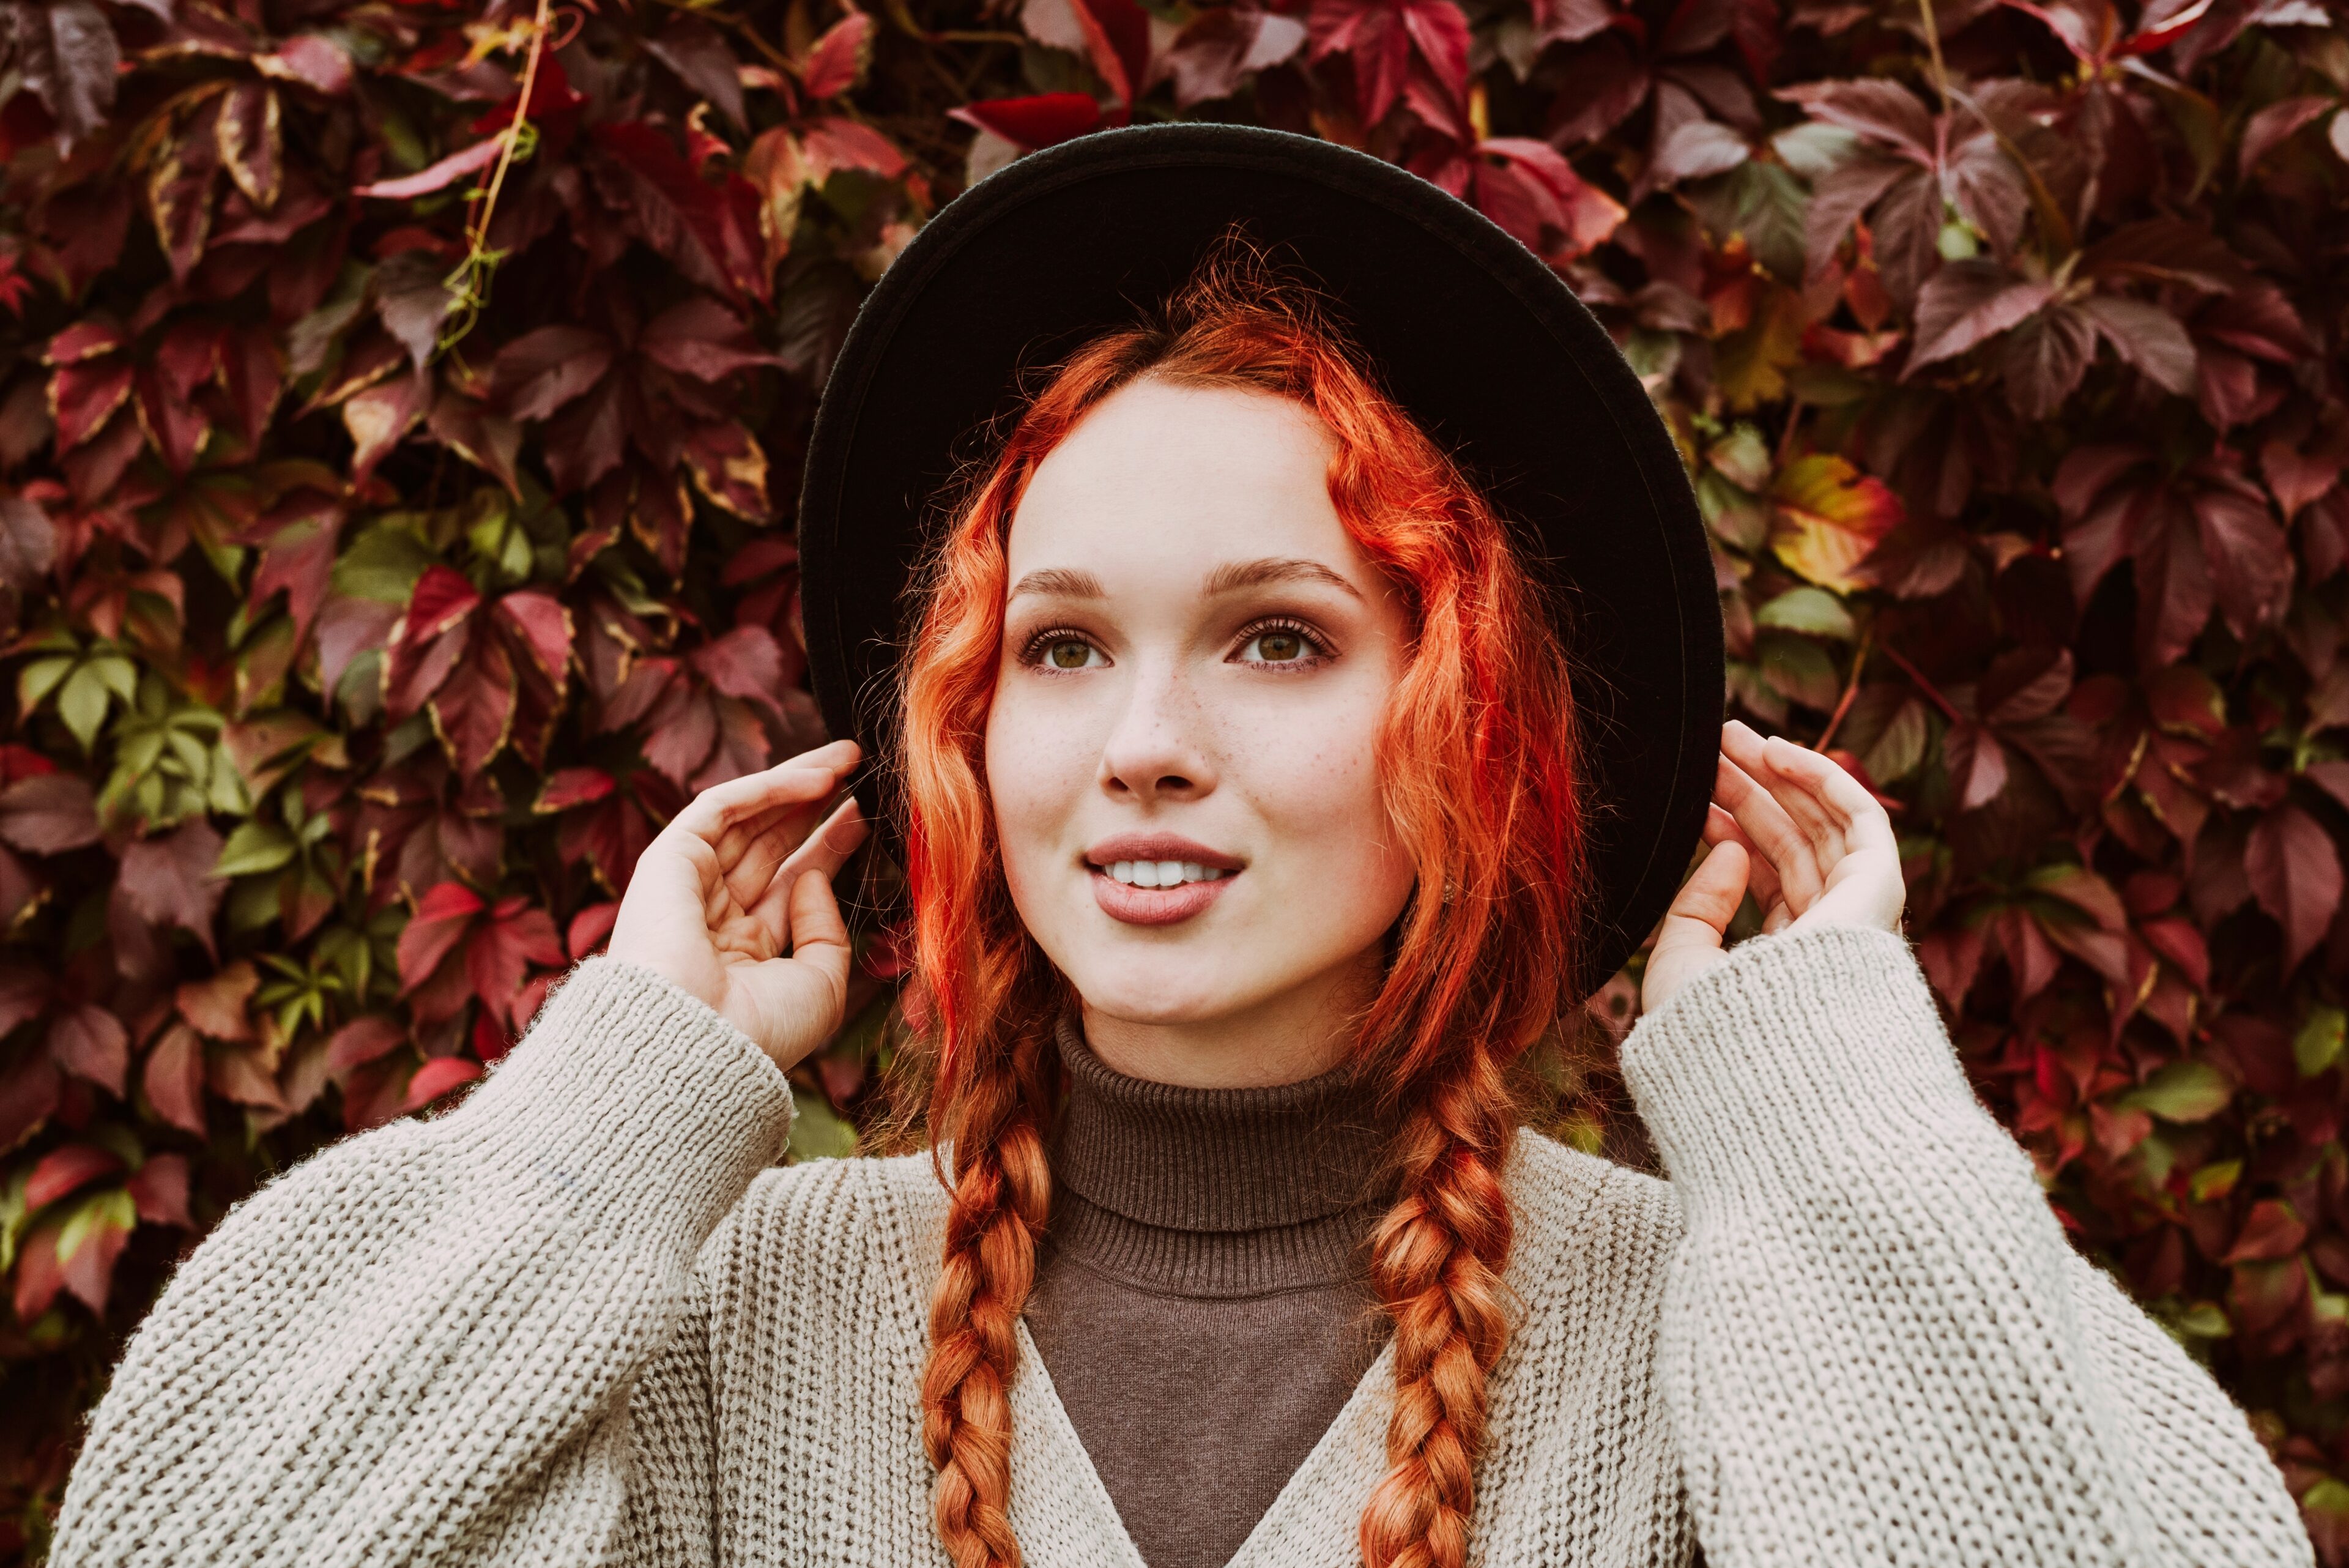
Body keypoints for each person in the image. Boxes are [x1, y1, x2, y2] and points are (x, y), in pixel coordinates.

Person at [50, 126, 2309, 1568]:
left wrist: (1820, 1116)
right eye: (1054, 649)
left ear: (1472, 721)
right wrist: (612, 1105)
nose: (1140, 744)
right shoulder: (740, 1319)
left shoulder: (1703, 1334)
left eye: (1275, 640)